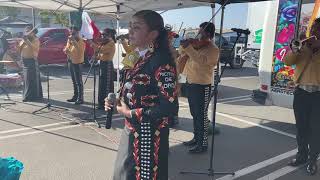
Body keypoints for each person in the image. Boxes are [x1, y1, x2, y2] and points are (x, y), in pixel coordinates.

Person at [105, 10, 178, 180]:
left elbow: (169, 107)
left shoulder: (162, 62)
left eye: (136, 27)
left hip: (149, 136)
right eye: (130, 26)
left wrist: (129, 113)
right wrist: (116, 99)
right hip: (130, 130)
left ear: (152, 34)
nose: (129, 31)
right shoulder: (134, 55)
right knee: (122, 174)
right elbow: (128, 84)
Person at [284, 18, 320, 176]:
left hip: (318, 94)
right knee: (301, 127)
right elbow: (287, 61)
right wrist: (295, 49)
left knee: (316, 129)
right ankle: (302, 155)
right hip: (301, 93)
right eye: (313, 28)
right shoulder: (302, 47)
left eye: (317, 29)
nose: (313, 32)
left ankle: (313, 159)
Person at [179, 22, 219, 153]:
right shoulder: (196, 45)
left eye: (201, 32)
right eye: (198, 31)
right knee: (194, 114)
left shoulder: (213, 49)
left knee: (201, 115)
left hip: (202, 85)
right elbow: (182, 54)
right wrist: (185, 46)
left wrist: (189, 49)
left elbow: (202, 62)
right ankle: (196, 138)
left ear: (208, 33)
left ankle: (203, 144)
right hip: (191, 83)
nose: (198, 34)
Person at [90, 28, 116, 109]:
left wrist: (94, 45)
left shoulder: (111, 43)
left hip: (107, 64)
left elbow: (102, 50)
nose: (103, 36)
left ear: (110, 35)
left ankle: (109, 104)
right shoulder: (104, 43)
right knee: (101, 85)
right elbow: (100, 54)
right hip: (102, 64)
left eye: (105, 34)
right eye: (102, 34)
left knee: (107, 85)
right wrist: (95, 57)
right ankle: (101, 103)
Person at [17, 26, 43, 102]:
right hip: (24, 61)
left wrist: (27, 41)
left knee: (31, 79)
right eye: (26, 31)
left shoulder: (36, 40)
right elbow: (19, 48)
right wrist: (20, 43)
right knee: (26, 79)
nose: (27, 33)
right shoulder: (25, 39)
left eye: (29, 31)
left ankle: (32, 96)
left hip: (32, 60)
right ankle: (27, 95)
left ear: (33, 32)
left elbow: (34, 48)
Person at [63, 26, 85, 105]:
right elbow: (67, 48)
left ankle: (80, 98)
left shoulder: (80, 41)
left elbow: (80, 50)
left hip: (77, 62)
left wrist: (73, 41)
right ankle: (75, 96)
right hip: (70, 61)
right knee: (74, 81)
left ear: (77, 33)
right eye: (70, 32)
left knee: (78, 81)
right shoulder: (70, 40)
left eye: (73, 32)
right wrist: (66, 49)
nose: (71, 33)